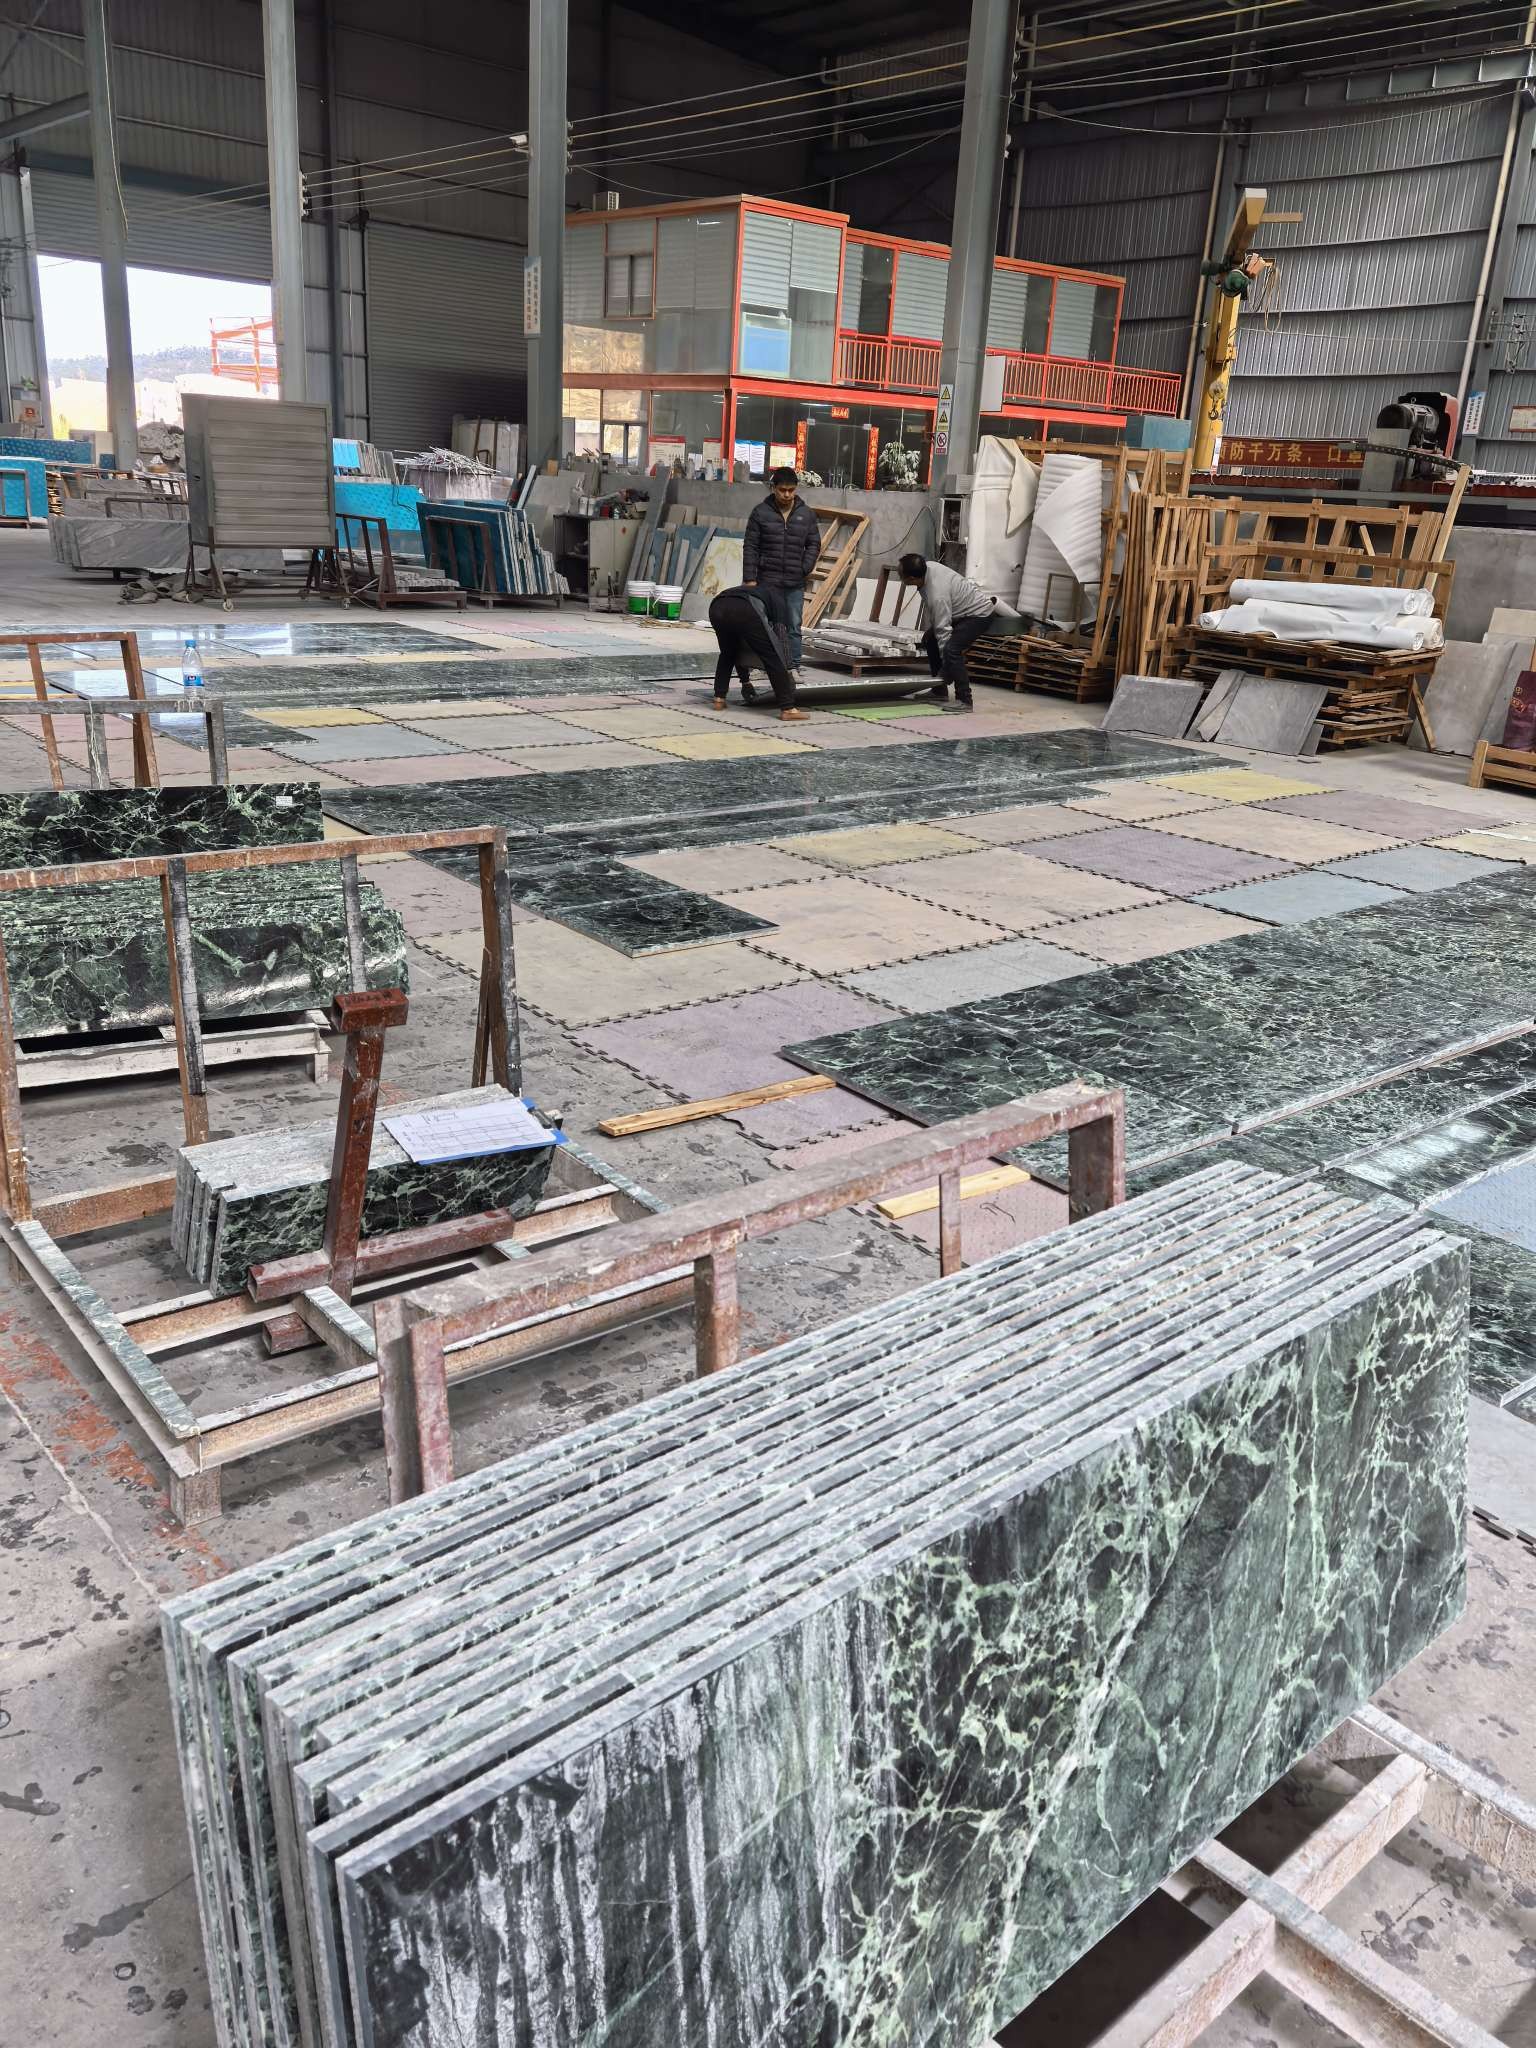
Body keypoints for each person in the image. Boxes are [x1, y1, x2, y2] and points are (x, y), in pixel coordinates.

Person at [896, 554, 1017, 706]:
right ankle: (939, 691)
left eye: (901, 574)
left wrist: (946, 666)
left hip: (979, 614)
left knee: (951, 650)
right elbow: (940, 622)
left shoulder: (937, 594)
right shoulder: (928, 567)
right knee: (929, 639)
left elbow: (943, 629)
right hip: (960, 613)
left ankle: (965, 699)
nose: (899, 576)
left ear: (912, 578)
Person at [743, 467, 821, 675]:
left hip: (794, 582)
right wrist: (749, 578)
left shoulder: (806, 514)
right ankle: (766, 665)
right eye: (782, 490)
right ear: (773, 488)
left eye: (791, 490)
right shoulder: (760, 513)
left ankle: (793, 665)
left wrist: (805, 568)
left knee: (793, 625)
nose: (787, 494)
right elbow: (751, 546)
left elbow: (814, 543)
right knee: (766, 625)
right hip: (767, 581)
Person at [708, 585, 808, 720]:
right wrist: (788, 669)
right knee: (771, 656)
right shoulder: (779, 601)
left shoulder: (759, 591)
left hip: (717, 605)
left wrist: (745, 682)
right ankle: (788, 708)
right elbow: (781, 638)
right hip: (744, 608)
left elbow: (741, 649)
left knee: (728, 653)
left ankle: (719, 699)